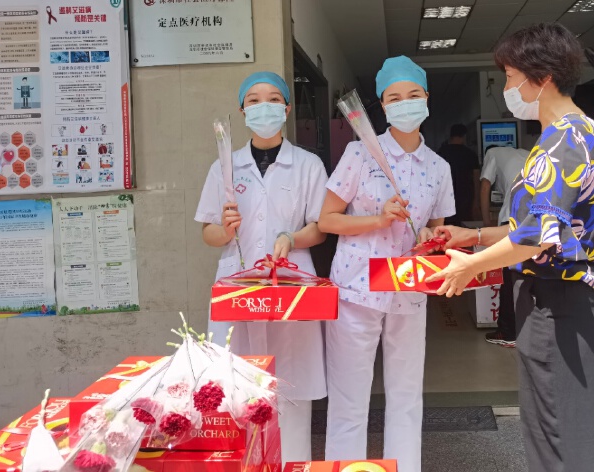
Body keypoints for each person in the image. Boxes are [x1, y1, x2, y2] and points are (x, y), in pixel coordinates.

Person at [426, 23, 594, 472]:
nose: (507, 88)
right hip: (555, 299)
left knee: (563, 434)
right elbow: (532, 227)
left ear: (542, 77)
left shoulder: (565, 139)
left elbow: (536, 238)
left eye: (510, 76)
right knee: (552, 427)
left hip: (562, 301)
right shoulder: (565, 135)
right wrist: (473, 236)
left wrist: (470, 266)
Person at [318, 56, 455, 472]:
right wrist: (378, 220)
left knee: (407, 396)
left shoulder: (439, 167)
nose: (405, 103)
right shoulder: (359, 153)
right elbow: (327, 220)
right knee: (349, 397)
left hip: (409, 291)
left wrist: (431, 238)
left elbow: (437, 230)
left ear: (427, 97)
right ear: (382, 104)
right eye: (394, 98)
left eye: (413, 94)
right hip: (356, 291)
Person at [195, 71, 328, 463]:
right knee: (236, 384)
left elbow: (320, 228)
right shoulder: (224, 166)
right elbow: (208, 233)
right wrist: (225, 229)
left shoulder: (307, 164)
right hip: (237, 286)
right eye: (253, 100)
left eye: (273, 99)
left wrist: (293, 238)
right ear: (242, 111)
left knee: (292, 384)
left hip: (291, 285)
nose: (263, 107)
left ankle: (294, 464)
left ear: (286, 109)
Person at [479, 144, 530, 348]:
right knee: (533, 275)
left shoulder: (492, 153)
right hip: (539, 218)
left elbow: (485, 187)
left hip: (513, 217)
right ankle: (531, 331)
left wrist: (486, 223)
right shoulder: (524, 153)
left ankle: (508, 332)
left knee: (509, 278)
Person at [437, 124, 480, 225]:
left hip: (445, 200)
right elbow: (476, 179)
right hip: (466, 199)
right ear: (464, 136)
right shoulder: (470, 154)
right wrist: (476, 202)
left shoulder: (440, 153)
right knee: (463, 228)